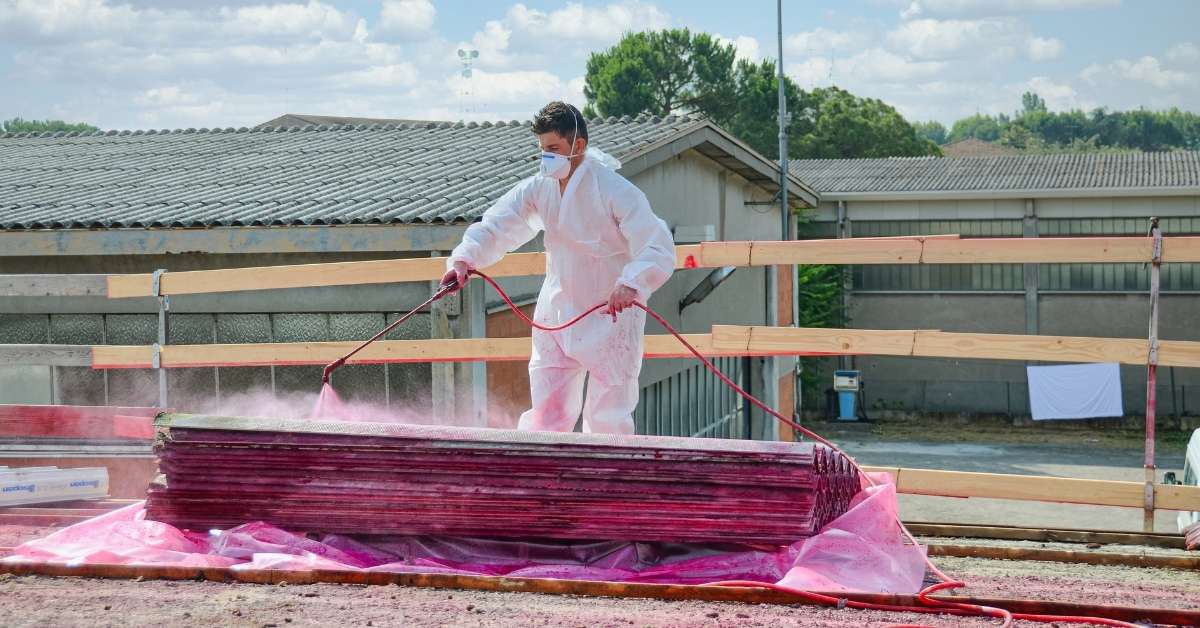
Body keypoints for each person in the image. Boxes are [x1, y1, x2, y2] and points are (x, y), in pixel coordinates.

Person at [441, 101, 675, 435]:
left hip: (610, 314)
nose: (546, 157)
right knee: (548, 415)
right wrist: (464, 260)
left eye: (553, 148)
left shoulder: (614, 191)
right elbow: (497, 224)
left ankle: (605, 481)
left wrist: (633, 283)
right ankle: (545, 478)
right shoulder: (540, 187)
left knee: (608, 417)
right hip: (559, 312)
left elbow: (657, 245)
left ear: (577, 145)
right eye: (542, 149)